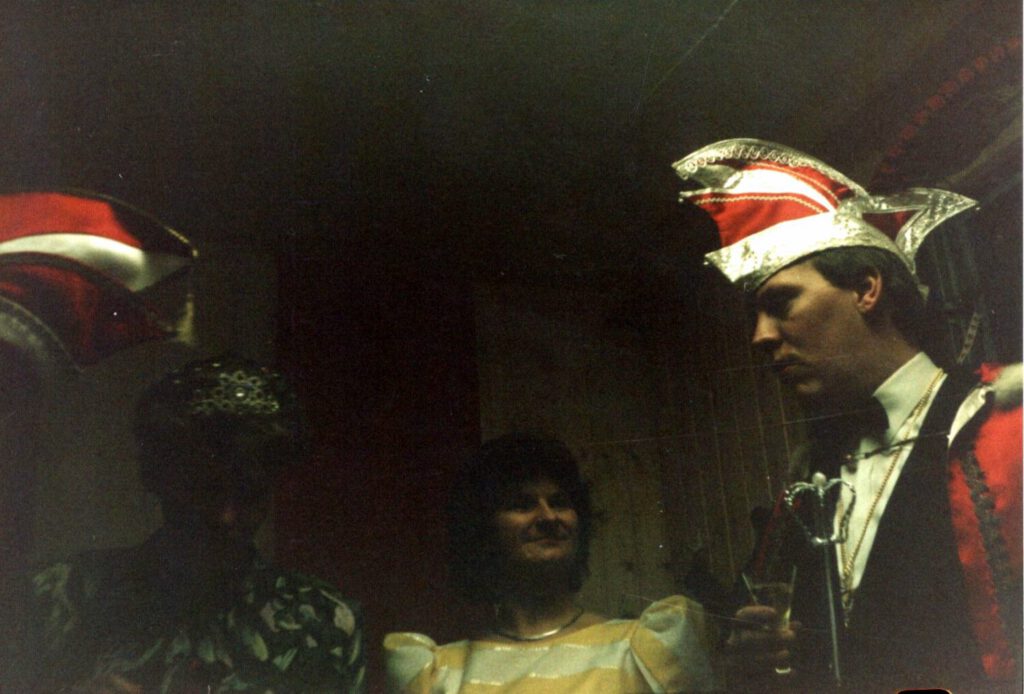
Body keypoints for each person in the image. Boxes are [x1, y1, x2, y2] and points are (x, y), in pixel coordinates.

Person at [672, 138, 1021, 691]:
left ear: (865, 289)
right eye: (754, 317)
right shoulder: (807, 481)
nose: (760, 337)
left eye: (781, 304)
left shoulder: (1005, 425)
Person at [1, 354, 366, 693]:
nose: (226, 516)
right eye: (205, 489)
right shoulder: (56, 596)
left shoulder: (322, 622)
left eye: (249, 493)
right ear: (158, 478)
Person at [384, 433, 719, 693]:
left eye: (559, 502)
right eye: (522, 504)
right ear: (482, 529)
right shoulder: (439, 674)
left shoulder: (642, 651)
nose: (548, 517)